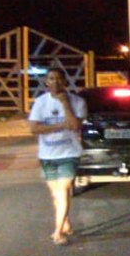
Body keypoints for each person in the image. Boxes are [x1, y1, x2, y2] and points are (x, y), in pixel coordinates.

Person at [27, 68, 87, 246]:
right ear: (46, 82)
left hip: (69, 154)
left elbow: (75, 125)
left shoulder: (78, 102)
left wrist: (65, 103)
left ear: (65, 82)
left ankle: (58, 231)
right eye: (51, 79)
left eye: (59, 79)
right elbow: (34, 129)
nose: (55, 82)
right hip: (47, 155)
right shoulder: (40, 102)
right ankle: (65, 220)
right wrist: (62, 125)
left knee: (62, 190)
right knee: (56, 194)